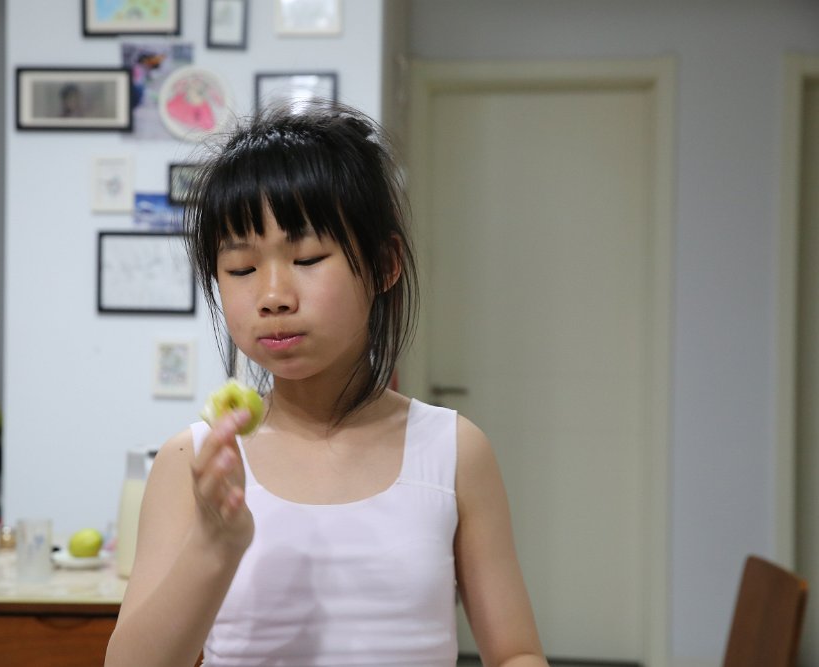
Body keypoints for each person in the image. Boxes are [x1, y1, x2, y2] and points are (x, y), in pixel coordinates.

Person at [105, 102, 549, 667]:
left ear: (385, 264)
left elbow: (515, 653)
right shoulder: (192, 462)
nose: (273, 296)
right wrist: (215, 545)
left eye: (308, 257)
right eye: (241, 269)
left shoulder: (455, 450)